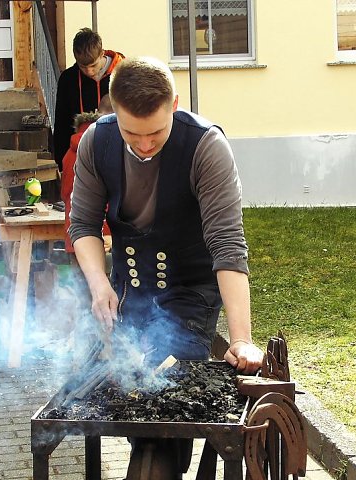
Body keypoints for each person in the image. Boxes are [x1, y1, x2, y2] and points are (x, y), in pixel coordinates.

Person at [69, 56, 263, 374]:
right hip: (127, 288)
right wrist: (99, 284)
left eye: (156, 132)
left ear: (173, 104)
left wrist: (241, 339)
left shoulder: (206, 146)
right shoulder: (96, 141)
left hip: (191, 294)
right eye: (132, 133)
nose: (145, 145)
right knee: (122, 382)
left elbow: (226, 242)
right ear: (114, 110)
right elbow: (84, 224)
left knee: (173, 380)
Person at [53, 28, 123, 171]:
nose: (89, 71)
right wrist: (61, 162)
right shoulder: (68, 79)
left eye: (93, 65)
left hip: (117, 154)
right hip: (80, 157)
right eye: (83, 67)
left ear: (102, 54)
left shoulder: (124, 73)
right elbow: (62, 122)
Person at [61, 94, 112, 257]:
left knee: (78, 283)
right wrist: (107, 233)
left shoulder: (72, 149)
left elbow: (65, 194)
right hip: (101, 240)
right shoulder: (103, 147)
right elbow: (102, 198)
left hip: (75, 236)